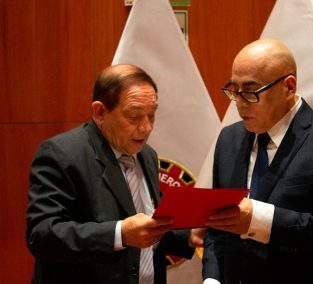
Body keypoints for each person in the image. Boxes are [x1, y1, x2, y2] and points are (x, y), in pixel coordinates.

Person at [202, 38, 313, 283]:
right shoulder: (229, 138)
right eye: (233, 90)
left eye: (250, 92)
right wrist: (212, 279)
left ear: (289, 87)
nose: (239, 103)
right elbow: (218, 228)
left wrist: (261, 219)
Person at [26, 64, 194, 284]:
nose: (146, 128)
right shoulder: (62, 154)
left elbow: (147, 226)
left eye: (151, 116)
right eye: (134, 116)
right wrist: (119, 234)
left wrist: (189, 237)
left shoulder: (147, 155)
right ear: (100, 112)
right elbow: (42, 235)